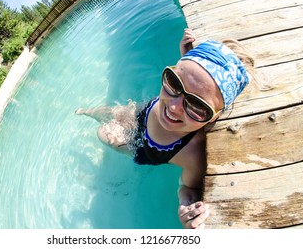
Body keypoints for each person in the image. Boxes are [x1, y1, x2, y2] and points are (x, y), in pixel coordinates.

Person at [75, 28, 254, 229]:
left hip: (143, 148)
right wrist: (186, 54)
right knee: (116, 112)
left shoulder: (192, 153)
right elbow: (194, 81)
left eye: (197, 106)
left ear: (214, 117)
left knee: (105, 134)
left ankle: (93, 116)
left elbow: (187, 187)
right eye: (174, 82)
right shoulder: (183, 95)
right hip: (146, 111)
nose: (175, 107)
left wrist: (187, 204)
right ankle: (89, 112)